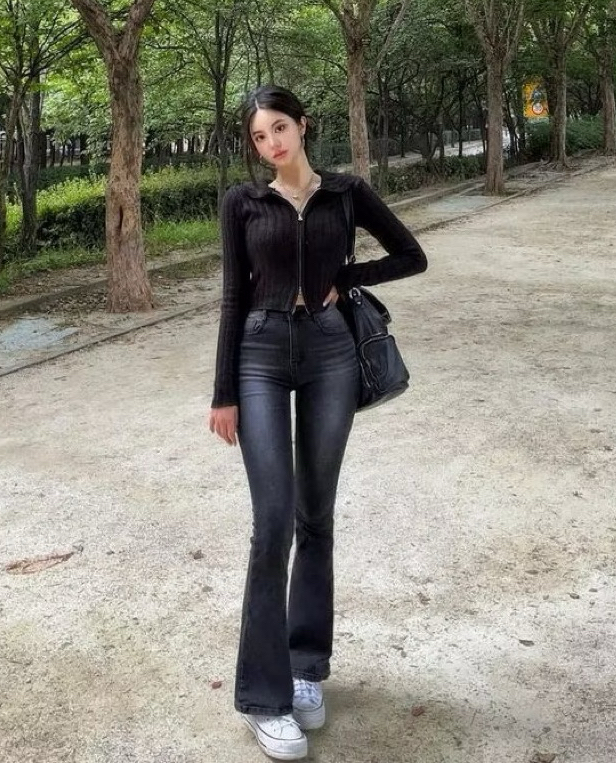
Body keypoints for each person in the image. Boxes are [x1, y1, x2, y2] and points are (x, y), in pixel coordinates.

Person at [208, 85, 427, 760]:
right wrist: (223, 393)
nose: (272, 144)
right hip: (260, 355)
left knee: (316, 518)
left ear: (303, 126)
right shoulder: (244, 202)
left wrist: (349, 276)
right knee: (272, 521)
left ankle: (306, 667)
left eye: (280, 128)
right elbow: (233, 295)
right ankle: (262, 698)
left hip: (332, 353)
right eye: (259, 137)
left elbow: (411, 255)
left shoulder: (346, 192)